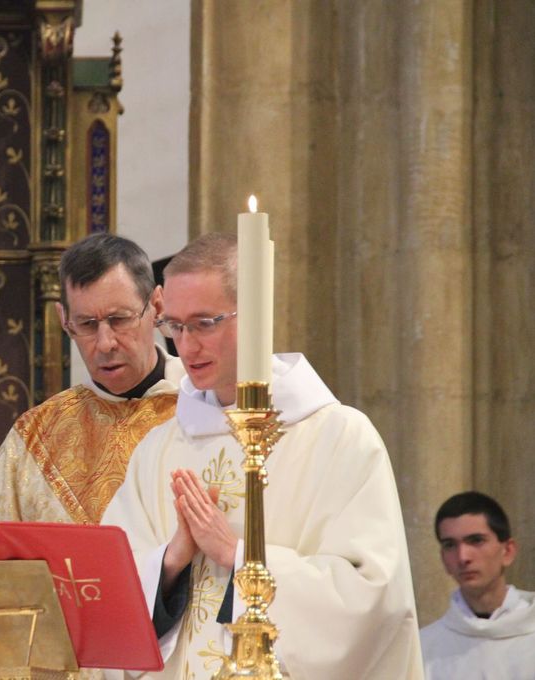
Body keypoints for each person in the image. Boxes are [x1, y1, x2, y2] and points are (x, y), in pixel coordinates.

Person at [102, 233, 424, 679]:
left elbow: (373, 600)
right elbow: (108, 599)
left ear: (254, 315)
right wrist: (171, 561)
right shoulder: (157, 450)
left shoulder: (338, 436)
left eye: (204, 323)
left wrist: (236, 554)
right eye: (174, 326)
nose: (186, 347)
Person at [0, 234, 185, 524]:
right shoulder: (38, 438)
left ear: (157, 306)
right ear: (64, 321)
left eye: (119, 319)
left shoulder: (206, 405)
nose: (105, 343)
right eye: (87, 324)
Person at [420, 491, 535, 679]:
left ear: (507, 551)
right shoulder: (422, 649)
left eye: (476, 541)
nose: (462, 557)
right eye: (450, 545)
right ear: (443, 558)